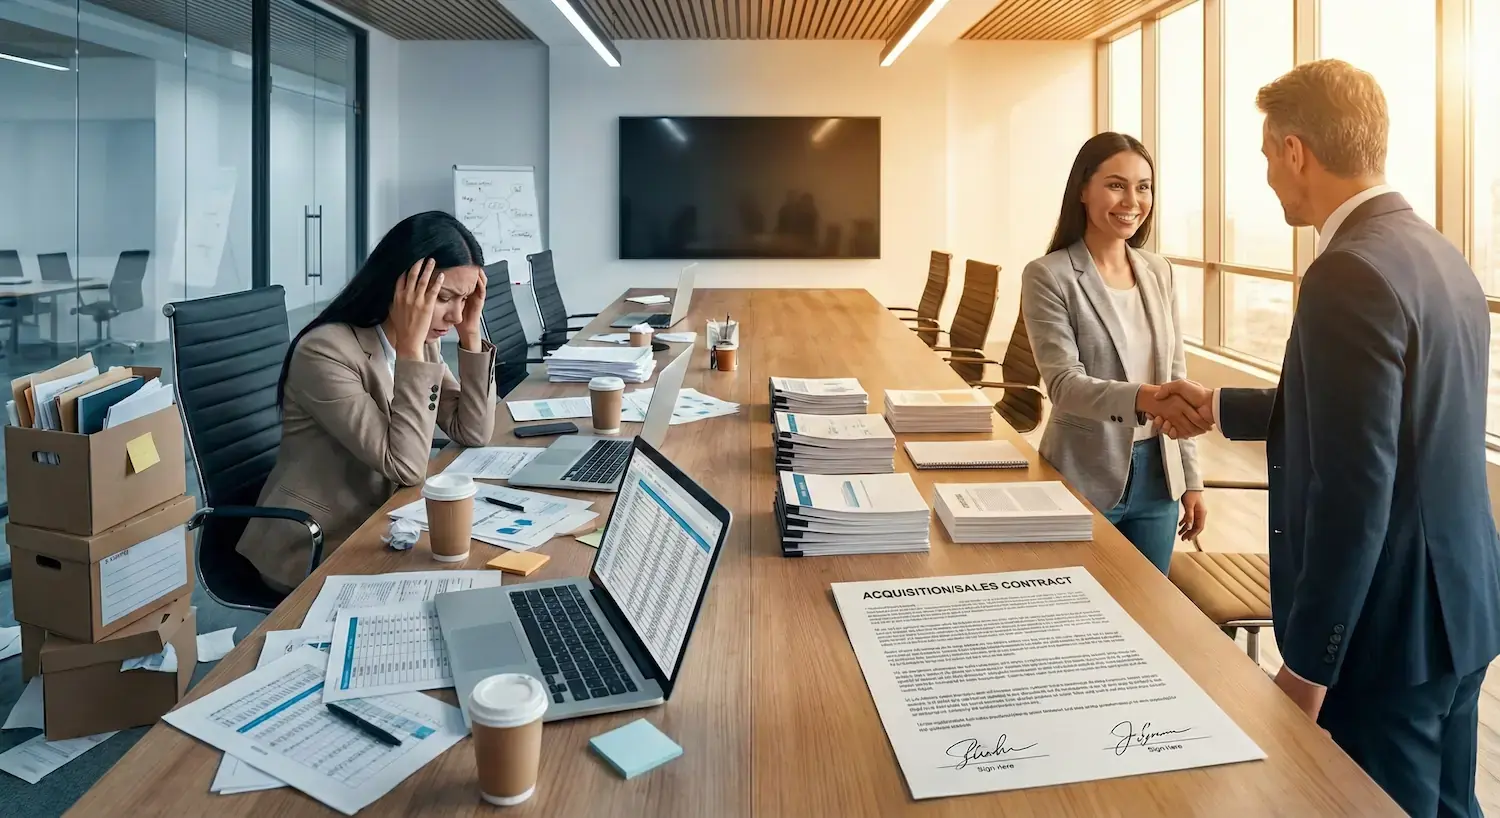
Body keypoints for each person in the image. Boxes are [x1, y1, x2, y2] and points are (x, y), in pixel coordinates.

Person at [1155, 60, 1500, 817]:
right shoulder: (1442, 257)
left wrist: (1310, 667)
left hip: (1387, 637)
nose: (1269, 179)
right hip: (1460, 611)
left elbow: (1355, 488)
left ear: (1294, 151)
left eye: (1265, 156)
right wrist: (1222, 405)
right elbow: (1380, 418)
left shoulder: (1347, 271)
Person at [239, 211, 498, 593]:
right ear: (401, 285)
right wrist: (411, 349)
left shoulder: (422, 342)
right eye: (444, 298)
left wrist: (471, 332)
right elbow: (407, 467)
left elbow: (473, 430)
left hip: (381, 522)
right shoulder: (325, 352)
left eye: (464, 299)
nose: (455, 314)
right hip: (314, 543)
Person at [1019, 132, 1210, 575]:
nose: (1132, 200)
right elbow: (1065, 386)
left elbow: (1175, 372)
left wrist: (1191, 479)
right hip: (1083, 473)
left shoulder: (1158, 271)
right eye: (1116, 184)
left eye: (1143, 186)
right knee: (1079, 617)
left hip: (1159, 478)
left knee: (1147, 616)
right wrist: (1145, 397)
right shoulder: (1049, 276)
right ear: (1083, 190)